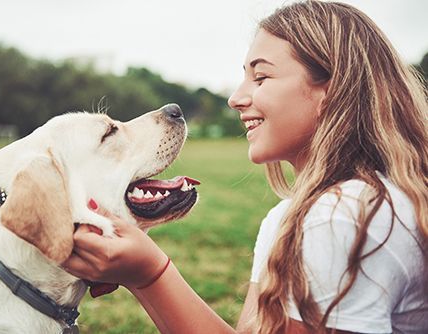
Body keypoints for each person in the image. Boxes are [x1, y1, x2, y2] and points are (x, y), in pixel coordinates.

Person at [63, 1, 428, 333]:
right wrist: (143, 274)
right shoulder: (291, 217)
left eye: (261, 77)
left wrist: (149, 274)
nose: (236, 98)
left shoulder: (342, 216)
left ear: (333, 91)